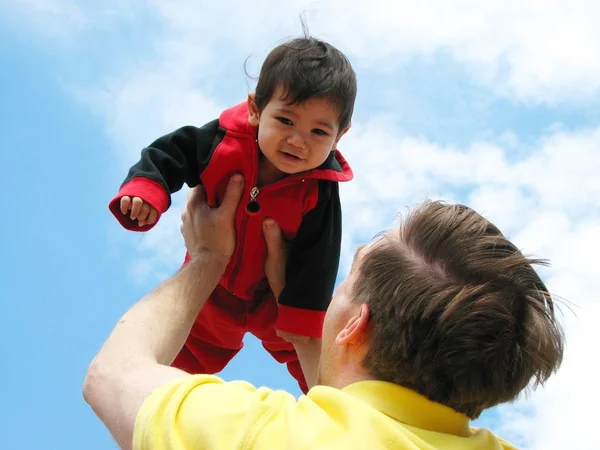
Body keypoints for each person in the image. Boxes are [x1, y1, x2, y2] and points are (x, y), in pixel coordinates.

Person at [84, 174, 565, 450]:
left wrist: (210, 259)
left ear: (356, 325)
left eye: (349, 276)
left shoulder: (270, 437)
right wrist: (304, 337)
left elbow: (112, 375)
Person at [107, 31, 357, 393]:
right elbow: (172, 153)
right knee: (174, 367)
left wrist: (301, 319)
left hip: (277, 298)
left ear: (340, 135)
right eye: (286, 121)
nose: (298, 140)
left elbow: (321, 254)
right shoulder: (224, 141)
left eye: (319, 131)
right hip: (215, 293)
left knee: (322, 371)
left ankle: (340, 416)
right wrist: (147, 191)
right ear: (256, 110)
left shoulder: (320, 187)